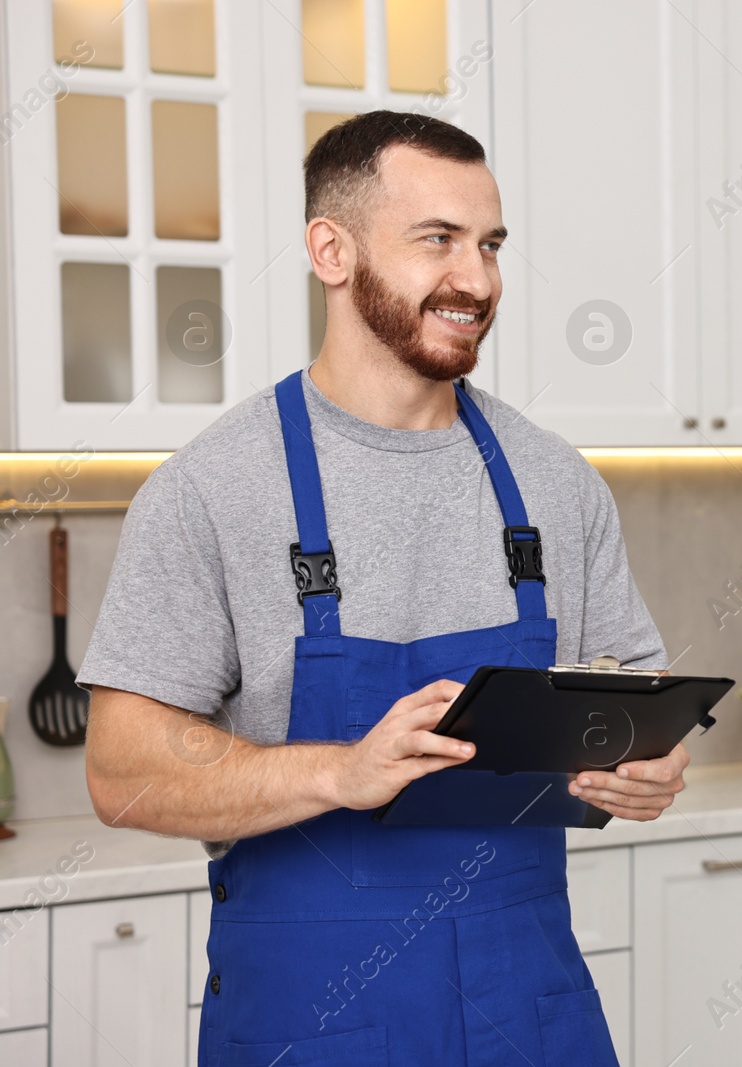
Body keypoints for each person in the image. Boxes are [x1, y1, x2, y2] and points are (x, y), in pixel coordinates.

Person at [77, 110, 685, 1065]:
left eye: (490, 245)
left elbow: (639, 704)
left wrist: (646, 770)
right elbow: (119, 771)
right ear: (332, 249)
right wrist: (339, 772)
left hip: (526, 1007)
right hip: (311, 1022)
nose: (477, 280)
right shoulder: (214, 487)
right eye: (436, 241)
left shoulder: (555, 480)